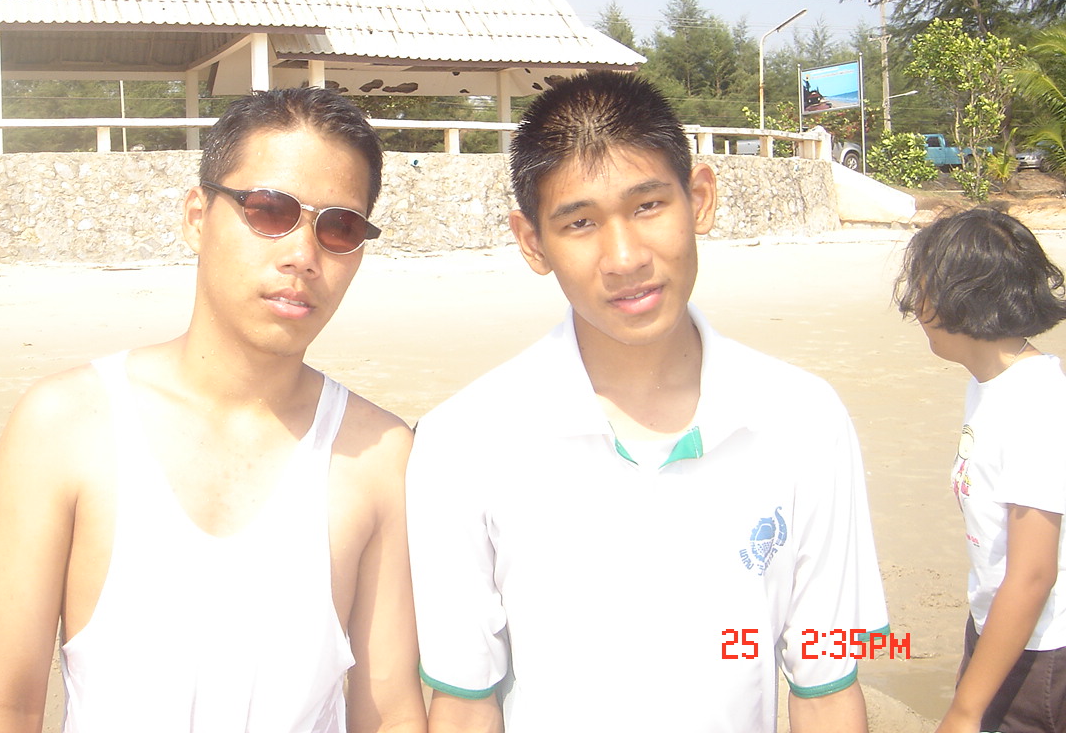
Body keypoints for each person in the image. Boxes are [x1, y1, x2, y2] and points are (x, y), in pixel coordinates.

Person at [406, 71, 888, 733]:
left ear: (700, 199)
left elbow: (826, 686)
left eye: (648, 205)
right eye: (579, 222)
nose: (625, 257)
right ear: (532, 242)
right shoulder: (462, 443)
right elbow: (464, 704)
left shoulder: (804, 420)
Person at [0, 87, 427, 733]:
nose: (302, 255)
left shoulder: (379, 458)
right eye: (270, 210)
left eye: (339, 227)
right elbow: (4, 707)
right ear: (195, 218)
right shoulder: (64, 427)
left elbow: (392, 712)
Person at [895, 208, 1066, 733]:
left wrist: (966, 711)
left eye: (924, 290)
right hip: (1000, 630)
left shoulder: (1034, 404)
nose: (916, 306)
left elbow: (1033, 574)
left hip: (1042, 654)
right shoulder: (991, 384)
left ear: (963, 299)